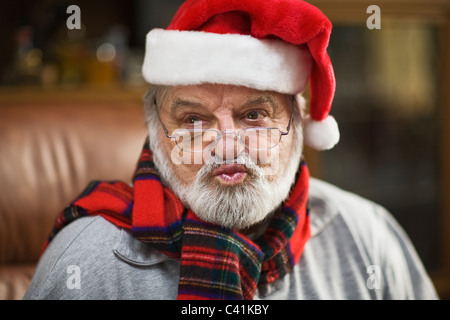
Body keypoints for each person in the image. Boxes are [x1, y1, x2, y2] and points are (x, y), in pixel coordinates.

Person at [24, 0, 438, 300]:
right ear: (155, 134)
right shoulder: (88, 266)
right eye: (192, 120)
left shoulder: (367, 236)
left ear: (297, 127)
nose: (226, 146)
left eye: (255, 115)